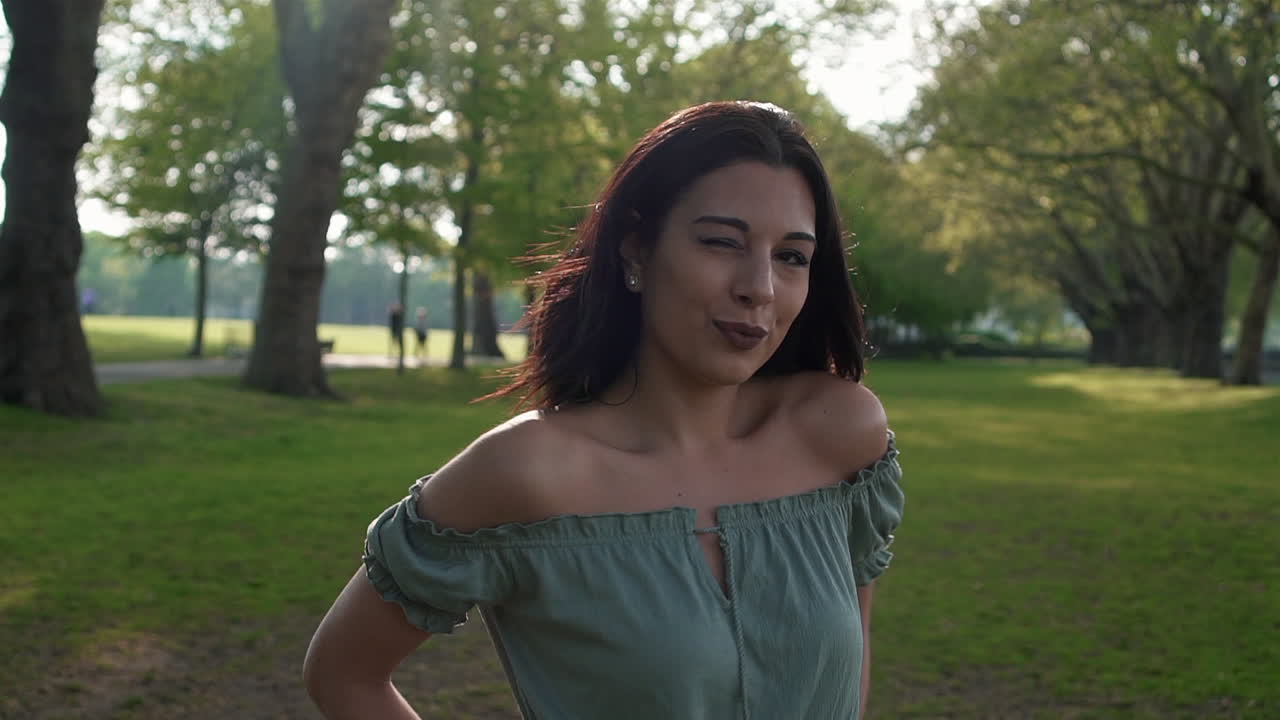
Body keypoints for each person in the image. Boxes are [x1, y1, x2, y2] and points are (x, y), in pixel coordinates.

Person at [304, 101, 905, 720]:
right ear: (636, 251)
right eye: (722, 242)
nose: (761, 287)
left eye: (792, 256)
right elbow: (345, 674)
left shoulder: (841, 437)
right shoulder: (527, 474)